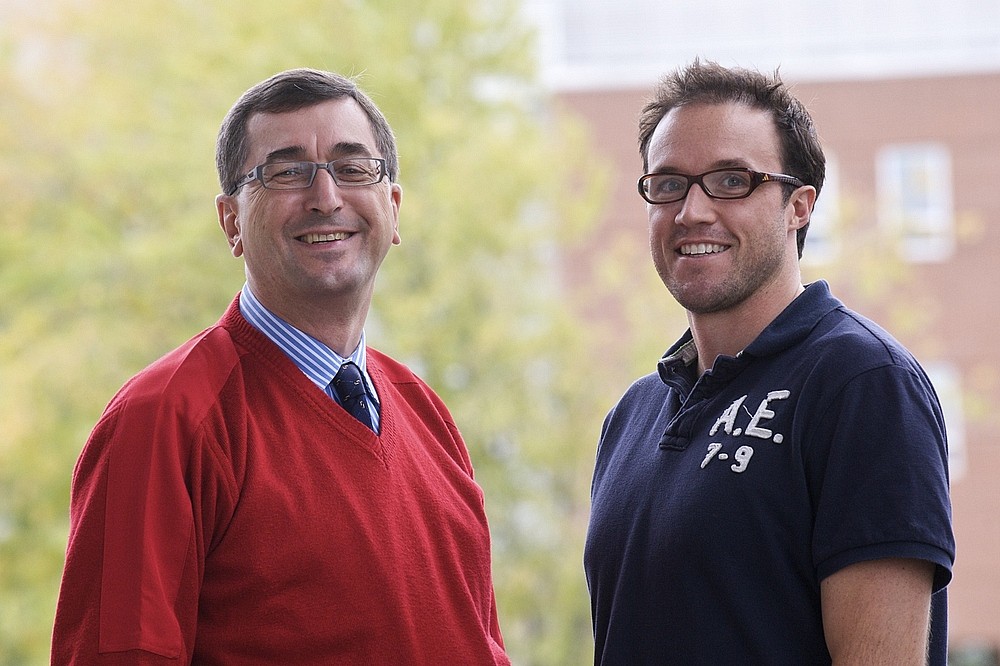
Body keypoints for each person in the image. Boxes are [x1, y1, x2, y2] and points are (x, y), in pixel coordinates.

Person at [52, 68, 510, 665]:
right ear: (231, 222)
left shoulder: (427, 415)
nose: (326, 198)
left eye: (353, 168)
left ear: (393, 208)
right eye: (287, 173)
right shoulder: (165, 418)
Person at [584, 60, 955, 665]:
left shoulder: (862, 383)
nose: (692, 210)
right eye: (669, 183)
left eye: (731, 180)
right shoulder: (632, 415)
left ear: (799, 206)